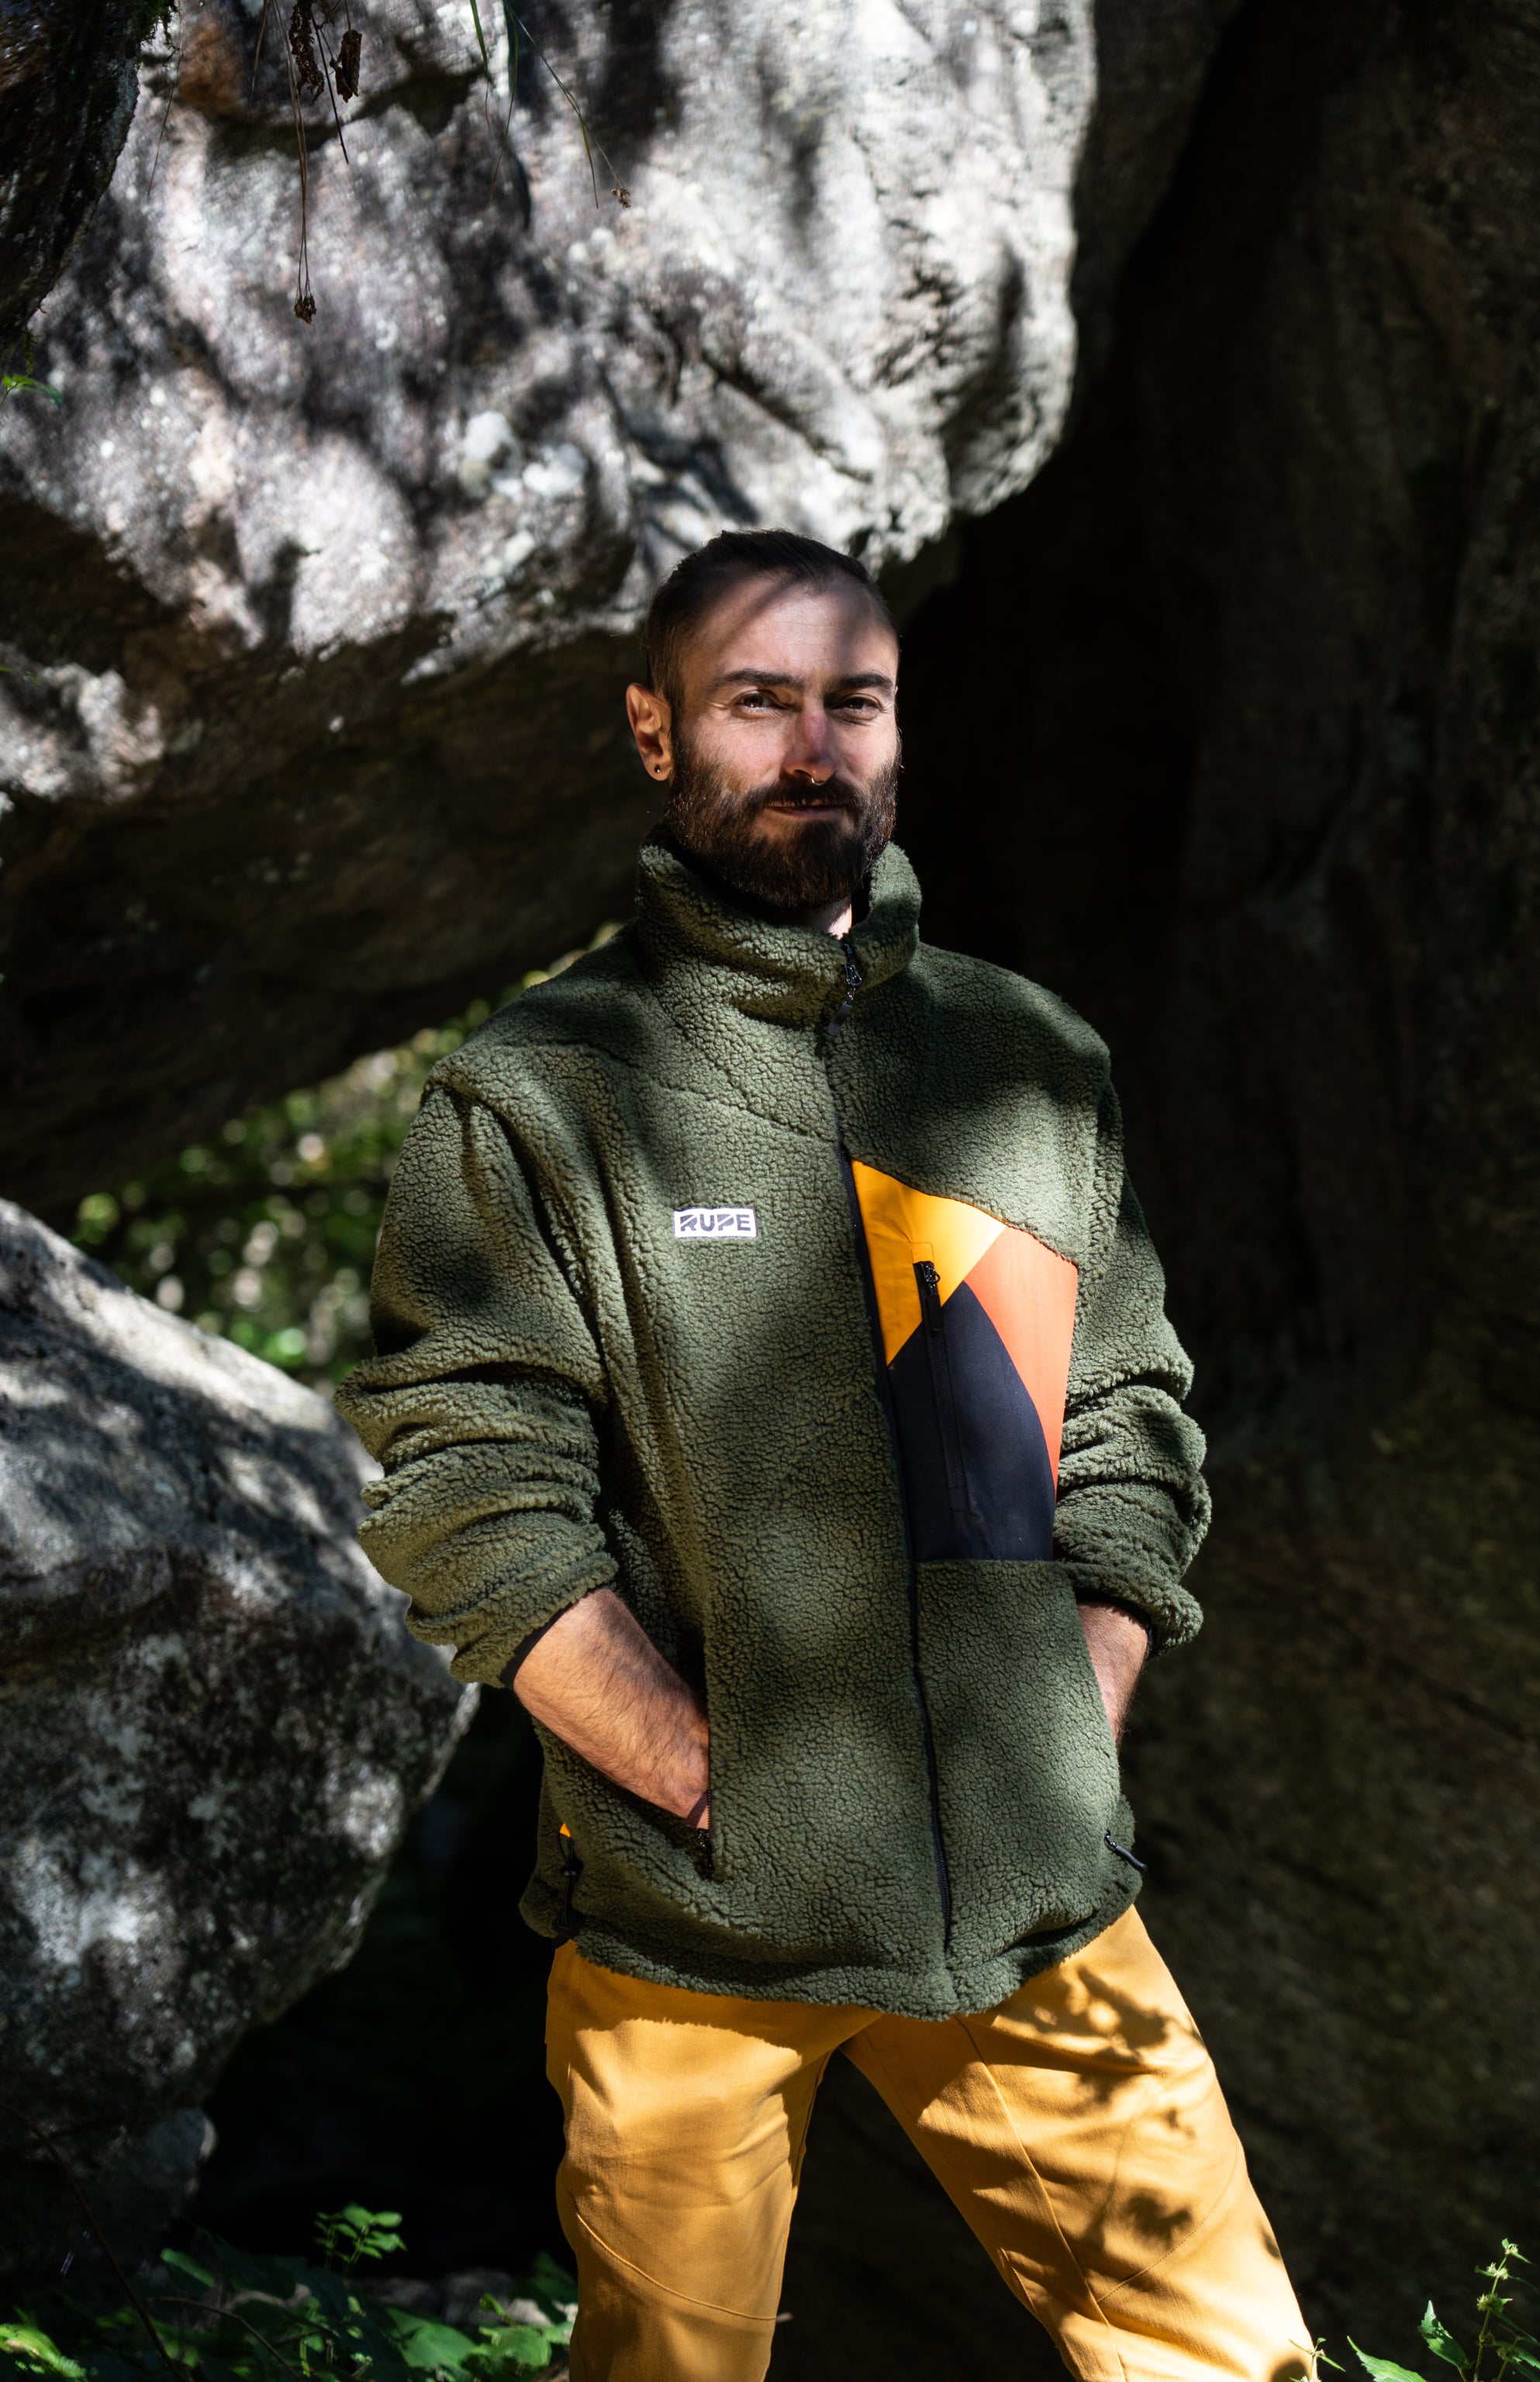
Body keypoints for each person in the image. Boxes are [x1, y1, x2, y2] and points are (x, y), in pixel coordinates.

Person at [337, 530, 1312, 2382]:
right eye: (756, 703)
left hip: (1038, 1917)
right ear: (654, 731)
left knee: (1232, 2359)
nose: (811, 750)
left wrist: (1071, 1718)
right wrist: (699, 1780)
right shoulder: (542, 1094)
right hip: (695, 1943)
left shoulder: (1027, 1061)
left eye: (851, 704)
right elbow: (468, 1489)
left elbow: (1127, 1421)